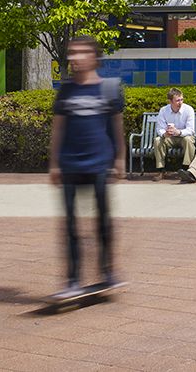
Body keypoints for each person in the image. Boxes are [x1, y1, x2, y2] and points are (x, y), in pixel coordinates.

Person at [48, 36, 125, 300]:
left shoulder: (109, 89)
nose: (74, 58)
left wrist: (119, 159)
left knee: (103, 222)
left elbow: (117, 126)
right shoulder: (66, 90)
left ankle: (107, 273)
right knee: (70, 225)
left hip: (100, 164)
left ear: (94, 57)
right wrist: (54, 163)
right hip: (70, 164)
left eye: (81, 52)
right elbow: (58, 127)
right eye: (72, 53)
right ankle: (73, 280)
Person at [151, 88, 196, 177]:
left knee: (188, 140)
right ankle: (161, 170)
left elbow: (191, 130)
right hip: (170, 137)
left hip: (184, 136)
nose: (180, 102)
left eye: (182, 99)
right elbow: (160, 128)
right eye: (177, 100)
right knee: (157, 140)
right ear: (170, 101)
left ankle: (186, 170)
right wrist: (165, 134)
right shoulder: (164, 110)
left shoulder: (188, 110)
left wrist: (179, 132)